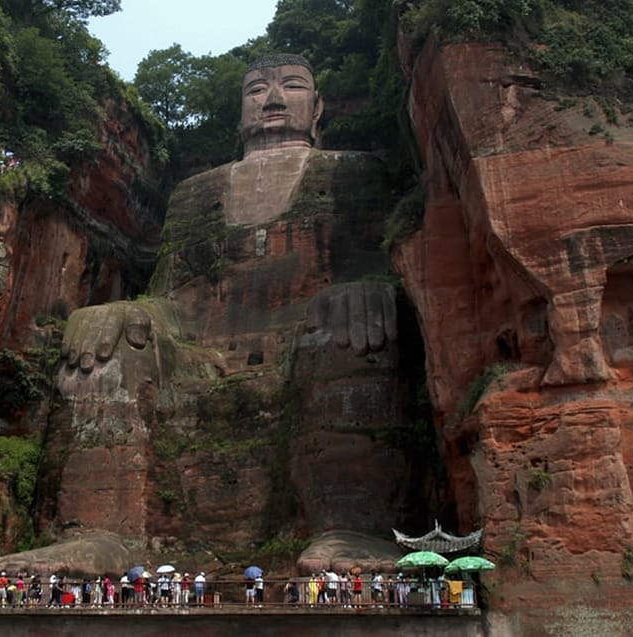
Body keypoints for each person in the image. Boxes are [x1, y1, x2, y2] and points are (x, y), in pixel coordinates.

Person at [56, 51, 404, 548]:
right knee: (109, 349)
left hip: (308, 341)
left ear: (319, 107)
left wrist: (369, 289)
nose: (275, 100)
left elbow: (383, 271)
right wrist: (116, 311)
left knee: (353, 325)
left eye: (292, 86)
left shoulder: (352, 173)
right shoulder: (196, 192)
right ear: (241, 109)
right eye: (257, 91)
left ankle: (349, 530)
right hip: (199, 357)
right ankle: (99, 535)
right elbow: (170, 299)